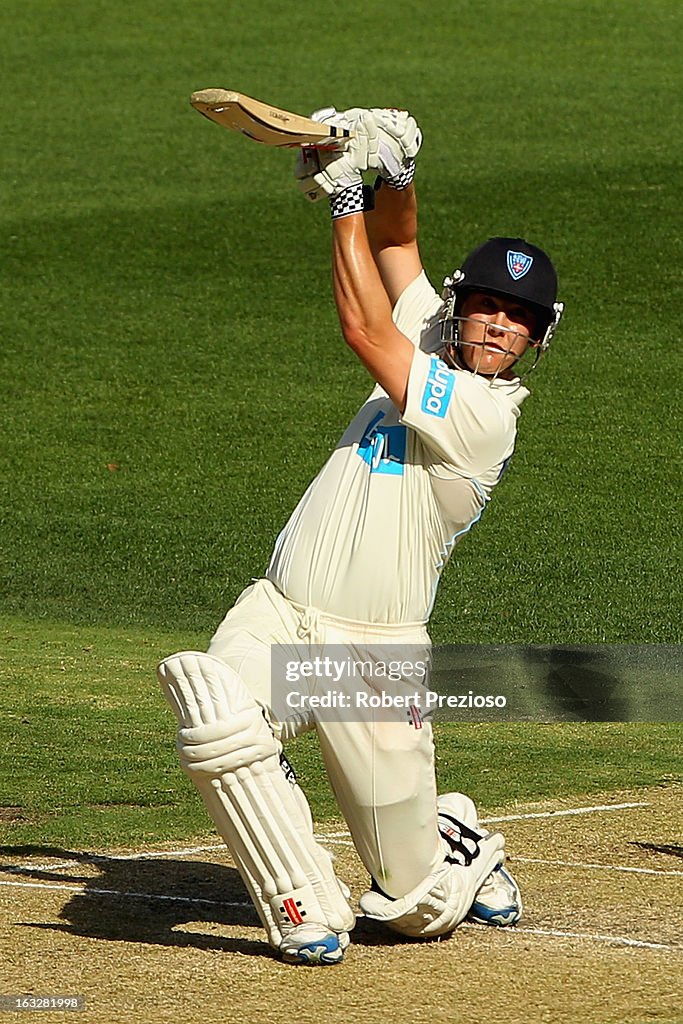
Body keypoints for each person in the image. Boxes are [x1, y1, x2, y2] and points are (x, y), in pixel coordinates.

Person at [156, 107, 564, 966]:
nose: (496, 325)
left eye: (516, 318)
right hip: (281, 613)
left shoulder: (484, 415)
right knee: (213, 710)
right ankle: (299, 897)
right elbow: (398, 253)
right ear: (460, 308)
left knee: (411, 907)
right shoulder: (432, 336)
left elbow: (360, 326)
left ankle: (457, 841)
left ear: (536, 337)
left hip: (373, 658)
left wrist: (346, 196)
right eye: (486, 305)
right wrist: (397, 176)